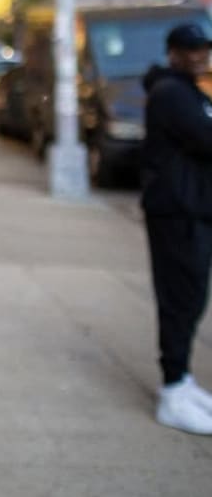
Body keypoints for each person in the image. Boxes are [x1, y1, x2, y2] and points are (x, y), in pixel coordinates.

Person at [140, 22, 212, 435]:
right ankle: (172, 390)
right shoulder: (172, 94)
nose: (199, 55)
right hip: (177, 213)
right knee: (180, 297)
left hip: (191, 210)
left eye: (203, 48)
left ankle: (182, 380)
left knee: (191, 297)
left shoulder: (188, 90)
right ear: (173, 52)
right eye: (191, 49)